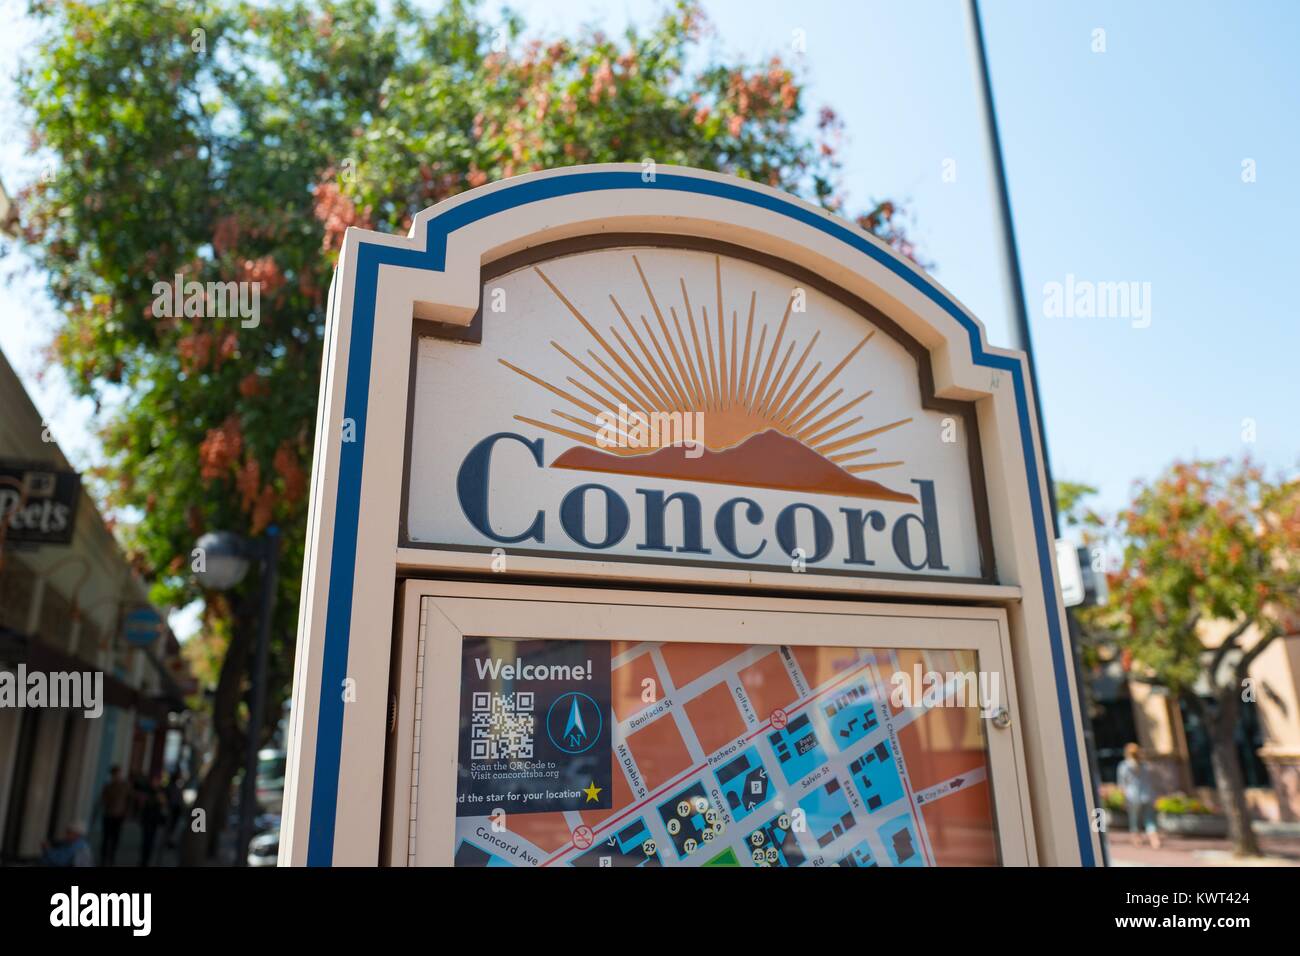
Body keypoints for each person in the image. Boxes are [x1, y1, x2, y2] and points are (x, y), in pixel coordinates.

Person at [1117, 742, 1162, 849]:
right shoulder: (1145, 766)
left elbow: (1122, 784)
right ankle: (1154, 840)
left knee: (1134, 819)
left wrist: (1122, 799)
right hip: (1147, 795)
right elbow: (1152, 782)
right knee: (1150, 819)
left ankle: (1137, 840)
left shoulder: (1124, 766)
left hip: (1132, 796)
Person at [99, 766, 132, 865]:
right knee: (106, 837)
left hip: (119, 816)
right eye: (115, 774)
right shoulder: (108, 786)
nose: (118, 776)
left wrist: (126, 813)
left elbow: (129, 800)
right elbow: (104, 799)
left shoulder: (125, 786)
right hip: (109, 815)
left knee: (115, 838)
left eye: (119, 774)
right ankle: (104, 858)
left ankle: (111, 857)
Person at [138, 775, 168, 866]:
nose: (155, 783)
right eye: (153, 781)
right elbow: (141, 804)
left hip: (154, 820)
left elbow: (164, 804)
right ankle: (143, 860)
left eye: (156, 781)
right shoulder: (146, 791)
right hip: (147, 819)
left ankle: (146, 860)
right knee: (145, 841)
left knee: (150, 841)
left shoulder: (160, 792)